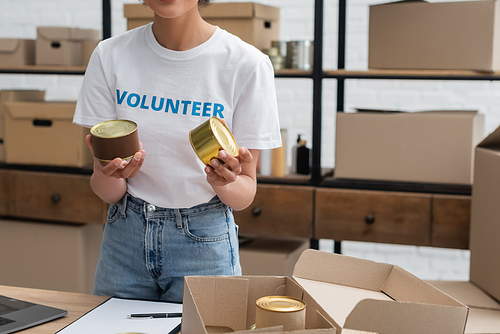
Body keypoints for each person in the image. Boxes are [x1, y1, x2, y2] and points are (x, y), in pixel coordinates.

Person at [72, 0, 281, 303]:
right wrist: (110, 174)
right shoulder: (110, 56)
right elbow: (107, 191)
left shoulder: (247, 64)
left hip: (205, 244)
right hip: (124, 240)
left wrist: (227, 182)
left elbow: (245, 193)